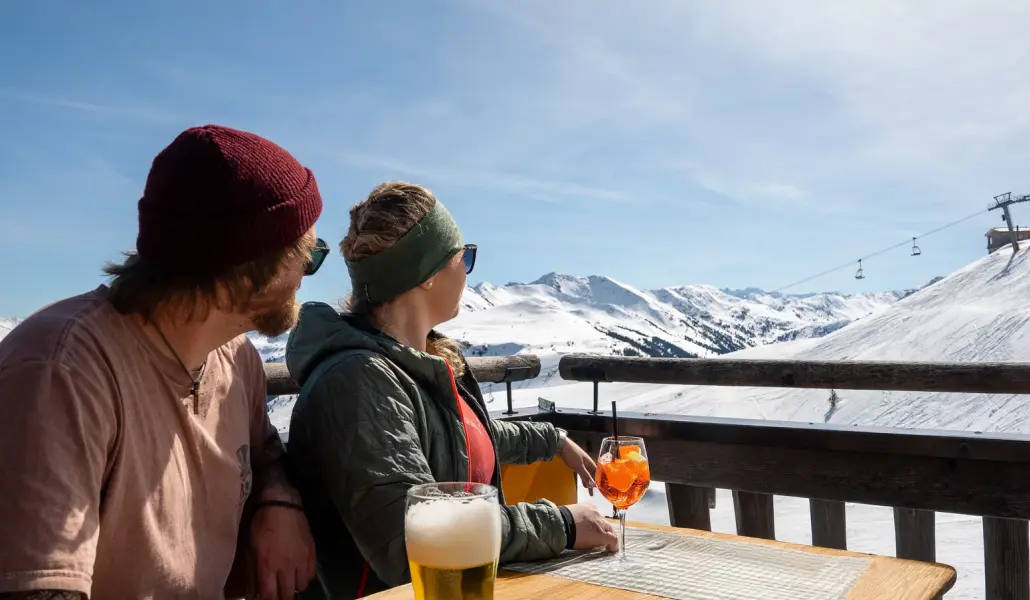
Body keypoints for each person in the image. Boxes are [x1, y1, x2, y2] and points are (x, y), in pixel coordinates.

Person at [0, 125, 324, 600]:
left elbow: (265, 452)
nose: (307, 274)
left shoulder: (237, 361)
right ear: (244, 270)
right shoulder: (63, 372)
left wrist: (279, 500)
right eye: (308, 256)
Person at [285, 181, 618, 598]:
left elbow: (452, 438)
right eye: (466, 256)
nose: (468, 270)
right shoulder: (359, 381)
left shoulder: (413, 361)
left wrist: (552, 439)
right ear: (426, 274)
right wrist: (562, 525)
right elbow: (412, 536)